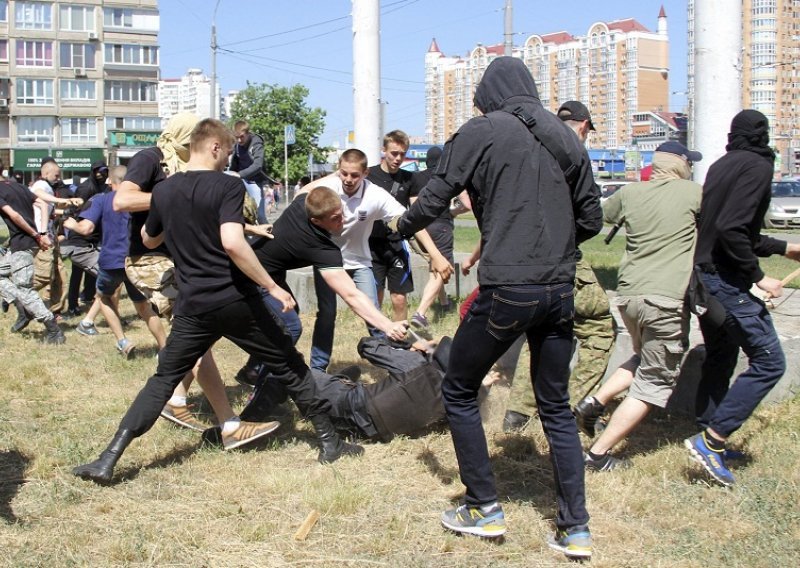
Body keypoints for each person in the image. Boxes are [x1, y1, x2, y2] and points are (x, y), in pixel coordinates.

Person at [72, 119, 363, 484]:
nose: (229, 158)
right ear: (213, 147)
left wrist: (179, 222)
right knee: (289, 364)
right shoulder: (228, 185)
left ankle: (108, 458)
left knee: (163, 379)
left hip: (193, 304)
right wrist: (272, 288)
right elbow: (232, 242)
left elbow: (147, 240)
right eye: (227, 151)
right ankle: (329, 441)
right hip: (234, 298)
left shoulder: (165, 191)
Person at [392, 57, 601, 558]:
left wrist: (394, 229)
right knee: (555, 405)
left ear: (489, 94)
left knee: (460, 387)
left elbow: (434, 198)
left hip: (509, 287)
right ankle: (574, 528)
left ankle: (482, 507)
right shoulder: (566, 136)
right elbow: (590, 218)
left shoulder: (482, 129)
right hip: (559, 290)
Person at [569, 141, 703, 471]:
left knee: (643, 356)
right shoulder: (695, 194)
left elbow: (597, 217)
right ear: (683, 164)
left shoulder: (631, 193)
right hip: (665, 298)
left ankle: (594, 403)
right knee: (655, 381)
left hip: (628, 296)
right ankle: (598, 455)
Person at [685, 109, 800, 487]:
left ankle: (708, 428)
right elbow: (732, 229)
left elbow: (731, 231)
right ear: (763, 135)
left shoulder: (721, 166)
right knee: (769, 361)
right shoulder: (757, 167)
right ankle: (711, 441)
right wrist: (759, 277)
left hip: (702, 276)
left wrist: (785, 248)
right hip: (725, 282)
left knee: (721, 353)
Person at [495, 101, 617, 431]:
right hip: (562, 259)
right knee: (600, 327)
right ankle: (576, 407)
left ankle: (518, 412)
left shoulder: (529, 148)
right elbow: (591, 218)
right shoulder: (574, 153)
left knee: (540, 330)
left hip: (523, 260)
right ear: (584, 127)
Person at [234, 185, 409, 398]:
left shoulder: (303, 203)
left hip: (269, 272)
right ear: (317, 221)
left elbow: (307, 190)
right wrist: (387, 325)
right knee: (290, 327)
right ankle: (263, 392)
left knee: (288, 316)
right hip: (251, 275)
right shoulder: (320, 247)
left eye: (341, 213)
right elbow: (351, 295)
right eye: (335, 218)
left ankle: (252, 369)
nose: (342, 221)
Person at [113, 112, 228, 432]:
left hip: (177, 258)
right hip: (149, 261)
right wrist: (169, 198)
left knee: (197, 332)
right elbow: (122, 201)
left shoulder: (183, 166)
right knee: (197, 331)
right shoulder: (149, 159)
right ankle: (225, 419)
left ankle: (176, 400)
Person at [304, 150, 452, 371]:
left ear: (365, 173)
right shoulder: (329, 187)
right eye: (343, 173)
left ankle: (397, 365)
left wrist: (436, 255)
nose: (348, 180)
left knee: (373, 314)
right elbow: (303, 195)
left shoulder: (375, 195)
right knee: (327, 315)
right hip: (328, 261)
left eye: (354, 175)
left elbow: (410, 222)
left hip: (360, 261)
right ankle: (317, 370)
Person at [63, 166, 166, 358]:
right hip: (135, 260)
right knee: (144, 306)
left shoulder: (102, 200)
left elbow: (86, 228)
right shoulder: (140, 200)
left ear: (110, 181)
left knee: (103, 298)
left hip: (111, 261)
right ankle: (165, 347)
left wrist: (71, 224)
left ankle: (123, 341)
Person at [0, 159, 66, 344]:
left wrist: (37, 235)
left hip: (23, 242)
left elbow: (14, 215)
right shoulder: (18, 187)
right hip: (25, 243)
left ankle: (53, 330)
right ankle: (21, 308)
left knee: (25, 288)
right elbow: (43, 204)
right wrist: (43, 231)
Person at [407, 147, 466, 333]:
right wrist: (452, 212)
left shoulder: (416, 178)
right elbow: (467, 203)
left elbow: (414, 206)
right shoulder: (447, 177)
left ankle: (444, 302)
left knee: (434, 264)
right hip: (441, 226)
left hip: (420, 228)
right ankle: (421, 313)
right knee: (442, 267)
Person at [367, 130, 416, 321]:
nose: (397, 158)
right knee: (374, 298)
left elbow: (416, 213)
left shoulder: (410, 178)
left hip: (397, 245)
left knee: (399, 298)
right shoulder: (369, 175)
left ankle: (400, 342)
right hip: (372, 246)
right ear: (383, 150)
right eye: (393, 153)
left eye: (402, 154)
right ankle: (377, 341)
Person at [29, 160, 79, 316]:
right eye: (56, 175)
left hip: (53, 238)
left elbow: (50, 211)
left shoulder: (50, 188)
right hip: (43, 238)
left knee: (60, 277)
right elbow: (37, 194)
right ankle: (18, 294)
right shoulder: (40, 185)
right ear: (45, 174)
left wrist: (65, 210)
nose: (59, 178)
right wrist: (62, 200)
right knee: (44, 277)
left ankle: (55, 313)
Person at [230, 120, 271, 223]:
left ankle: (269, 236)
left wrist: (239, 175)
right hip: (242, 181)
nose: (239, 140)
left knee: (259, 216)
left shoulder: (256, 143)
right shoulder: (237, 145)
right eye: (236, 137)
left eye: (242, 137)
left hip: (254, 182)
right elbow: (234, 165)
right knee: (239, 213)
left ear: (248, 133)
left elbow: (258, 165)